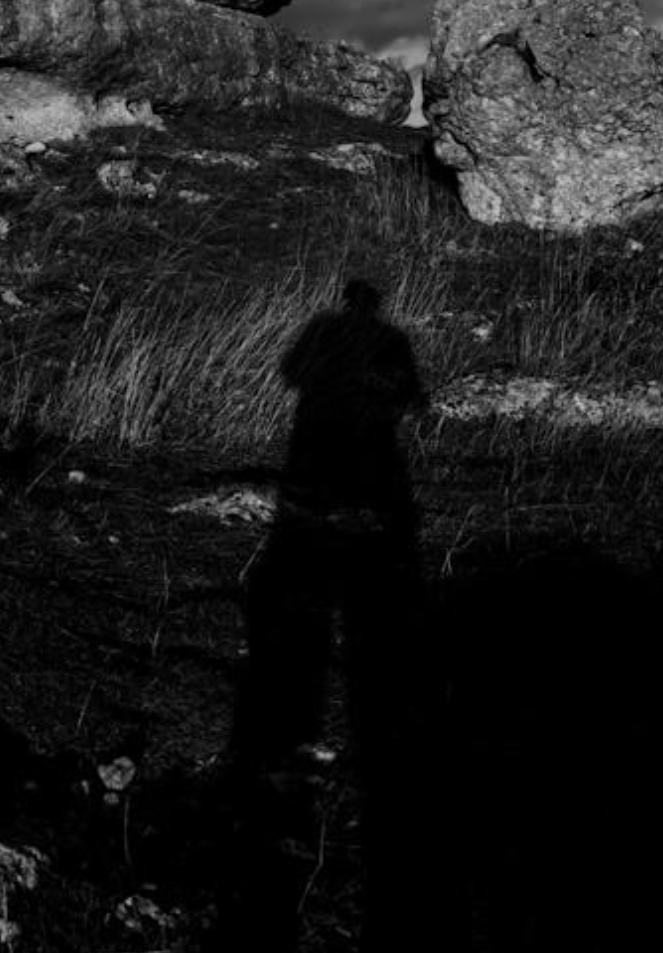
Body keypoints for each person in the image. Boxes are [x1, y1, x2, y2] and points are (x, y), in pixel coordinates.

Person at [218, 280, 460, 951]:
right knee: (362, 520)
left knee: (324, 523)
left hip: (322, 435)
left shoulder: (329, 329)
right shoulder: (386, 337)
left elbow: (290, 373)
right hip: (357, 441)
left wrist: (339, 379)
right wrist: (393, 392)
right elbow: (405, 392)